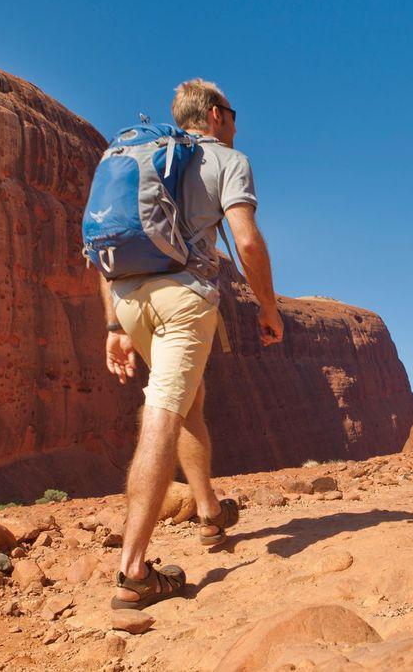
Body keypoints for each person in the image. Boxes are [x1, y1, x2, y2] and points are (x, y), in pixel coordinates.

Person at [97, 79, 284, 609]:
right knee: (165, 409)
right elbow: (246, 239)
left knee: (189, 397)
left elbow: (104, 242)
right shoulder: (227, 158)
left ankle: (208, 512)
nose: (236, 119)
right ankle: (133, 572)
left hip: (130, 298)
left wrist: (114, 325)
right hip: (185, 299)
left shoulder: (142, 156)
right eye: (232, 109)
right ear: (216, 114)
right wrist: (269, 310)